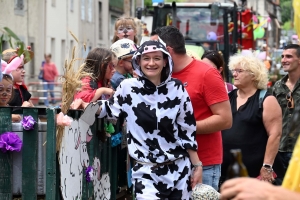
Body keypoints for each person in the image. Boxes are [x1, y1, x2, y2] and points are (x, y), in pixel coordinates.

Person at [73, 40, 203, 199]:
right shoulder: (128, 87)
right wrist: (85, 106)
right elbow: (108, 109)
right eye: (146, 58)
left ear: (165, 61)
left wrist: (197, 166)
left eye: (157, 58)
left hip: (178, 170)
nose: (151, 63)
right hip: (146, 172)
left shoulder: (177, 88)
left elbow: (187, 130)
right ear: (138, 61)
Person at [156, 25, 232, 191]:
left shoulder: (206, 74)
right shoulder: (161, 75)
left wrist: (182, 128)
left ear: (168, 50)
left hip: (203, 163)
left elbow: (225, 120)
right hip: (167, 162)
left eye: (155, 49)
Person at [220, 53, 284, 185]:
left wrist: (267, 166)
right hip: (227, 171)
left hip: (256, 174)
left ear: (253, 75)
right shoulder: (228, 97)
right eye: (234, 70)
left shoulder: (266, 100)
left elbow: (275, 135)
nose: (234, 74)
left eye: (239, 71)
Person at [272, 44, 300, 175]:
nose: (284, 60)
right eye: (283, 56)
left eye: (289, 56)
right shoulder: (277, 87)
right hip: (280, 149)